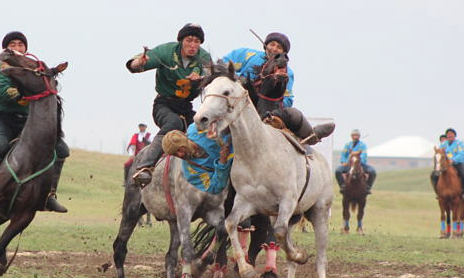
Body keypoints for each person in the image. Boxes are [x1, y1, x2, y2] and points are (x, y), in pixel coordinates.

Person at [0, 31, 68, 212]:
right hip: (2, 119)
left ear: (26, 48)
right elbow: (3, 93)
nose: (17, 48)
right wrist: (28, 91)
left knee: (61, 149)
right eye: (13, 45)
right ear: (6, 49)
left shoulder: (33, 69)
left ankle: (49, 195)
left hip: (28, 120)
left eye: (21, 45)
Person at [126, 23, 212, 186]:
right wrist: (139, 62)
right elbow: (135, 64)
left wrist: (201, 80)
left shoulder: (204, 58)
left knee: (202, 128)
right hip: (163, 104)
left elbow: (211, 77)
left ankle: (210, 172)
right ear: (181, 41)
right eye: (189, 40)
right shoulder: (166, 52)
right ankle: (145, 167)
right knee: (174, 123)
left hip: (186, 107)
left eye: (197, 41)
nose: (193, 45)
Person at [223, 32, 334, 144]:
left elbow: (288, 98)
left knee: (294, 114)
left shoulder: (287, 72)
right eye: (272, 44)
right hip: (237, 103)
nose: (275, 49)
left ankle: (311, 137)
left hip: (268, 111)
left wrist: (274, 109)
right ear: (266, 44)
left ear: (284, 53)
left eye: (279, 47)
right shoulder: (247, 54)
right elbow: (223, 65)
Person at [162, 124, 233, 194]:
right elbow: (214, 187)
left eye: (179, 149)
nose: (180, 155)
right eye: (175, 154)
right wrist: (222, 162)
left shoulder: (197, 128)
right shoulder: (190, 172)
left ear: (184, 140)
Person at [431, 128, 464, 199]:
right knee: (434, 175)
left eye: (451, 134)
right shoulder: (443, 144)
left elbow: (461, 154)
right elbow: (439, 153)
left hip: (457, 163)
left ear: (454, 135)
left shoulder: (459, 143)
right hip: (445, 165)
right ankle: (438, 192)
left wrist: (453, 160)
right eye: (448, 135)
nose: (449, 136)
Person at [335, 129, 376, 194]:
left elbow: (363, 155)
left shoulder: (362, 145)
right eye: (354, 135)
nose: (355, 137)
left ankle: (367, 187)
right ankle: (342, 186)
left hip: (360, 164)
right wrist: (343, 161)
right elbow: (343, 154)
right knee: (338, 171)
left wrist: (358, 161)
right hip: (348, 164)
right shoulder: (347, 145)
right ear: (351, 136)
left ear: (359, 136)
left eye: (357, 135)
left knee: (372, 171)